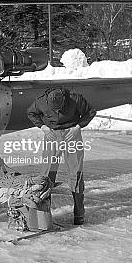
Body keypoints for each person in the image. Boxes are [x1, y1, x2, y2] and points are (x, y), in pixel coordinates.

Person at [27, 87, 96, 225]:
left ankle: (79, 215)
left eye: (60, 108)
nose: (58, 112)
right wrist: (43, 127)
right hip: (52, 135)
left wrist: (78, 127)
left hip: (72, 135)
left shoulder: (75, 99)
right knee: (46, 175)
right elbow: (31, 113)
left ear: (64, 100)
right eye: (55, 109)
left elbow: (90, 112)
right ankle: (44, 215)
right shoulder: (40, 102)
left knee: (76, 174)